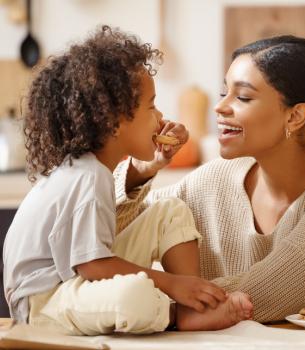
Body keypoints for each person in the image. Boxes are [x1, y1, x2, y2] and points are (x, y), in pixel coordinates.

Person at [3, 26, 253, 336]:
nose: (160, 117)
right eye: (151, 106)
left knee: (169, 211)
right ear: (114, 122)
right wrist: (174, 284)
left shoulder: (93, 171)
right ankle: (177, 313)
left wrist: (154, 163)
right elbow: (93, 267)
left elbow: (95, 260)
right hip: (45, 302)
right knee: (133, 296)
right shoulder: (88, 176)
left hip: (74, 281)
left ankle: (191, 309)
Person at [114, 35, 305, 323]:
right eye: (223, 92)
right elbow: (96, 241)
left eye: (243, 97)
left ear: (295, 116)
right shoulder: (215, 179)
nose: (220, 107)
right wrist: (141, 171)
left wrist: (136, 304)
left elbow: (266, 292)